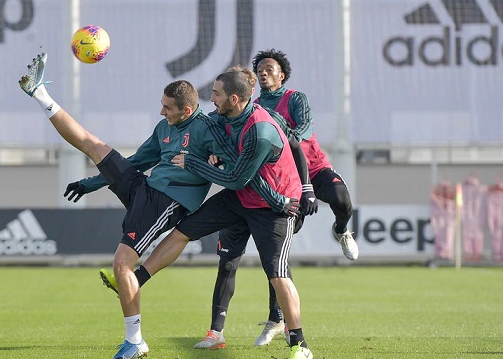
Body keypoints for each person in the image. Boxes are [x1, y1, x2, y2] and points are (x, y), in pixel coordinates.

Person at [18, 53, 299, 359]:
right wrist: (93, 182)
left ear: (186, 110)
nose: (161, 111)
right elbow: (138, 161)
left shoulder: (209, 129)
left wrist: (273, 196)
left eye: (167, 108)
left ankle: (135, 340)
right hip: (144, 188)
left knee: (121, 262)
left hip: (167, 201)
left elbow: (238, 171)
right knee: (92, 144)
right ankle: (40, 93)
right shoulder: (164, 127)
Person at [115, 66, 315, 359]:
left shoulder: (259, 131)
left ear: (234, 99)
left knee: (277, 273)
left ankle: (300, 344)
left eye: (216, 93)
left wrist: (194, 163)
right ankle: (138, 279)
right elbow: (231, 169)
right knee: (184, 231)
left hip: (274, 206)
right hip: (240, 198)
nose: (212, 98)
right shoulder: (222, 117)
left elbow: (237, 178)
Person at [192, 49, 358, 350]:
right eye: (261, 68)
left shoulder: (293, 99)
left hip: (310, 169)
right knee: (274, 260)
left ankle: (342, 229)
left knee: (341, 199)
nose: (265, 72)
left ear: (282, 75)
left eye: (271, 68)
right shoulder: (248, 109)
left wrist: (306, 186)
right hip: (279, 181)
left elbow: (301, 134)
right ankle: (273, 320)